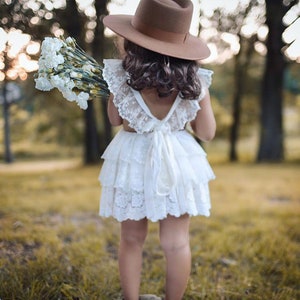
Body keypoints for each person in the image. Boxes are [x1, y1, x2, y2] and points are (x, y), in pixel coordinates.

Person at [99, 0, 216, 299]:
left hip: (132, 158)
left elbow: (115, 120)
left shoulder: (121, 78)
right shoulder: (196, 83)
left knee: (131, 240)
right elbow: (207, 132)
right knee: (176, 243)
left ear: (134, 42)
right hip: (179, 158)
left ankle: (131, 298)